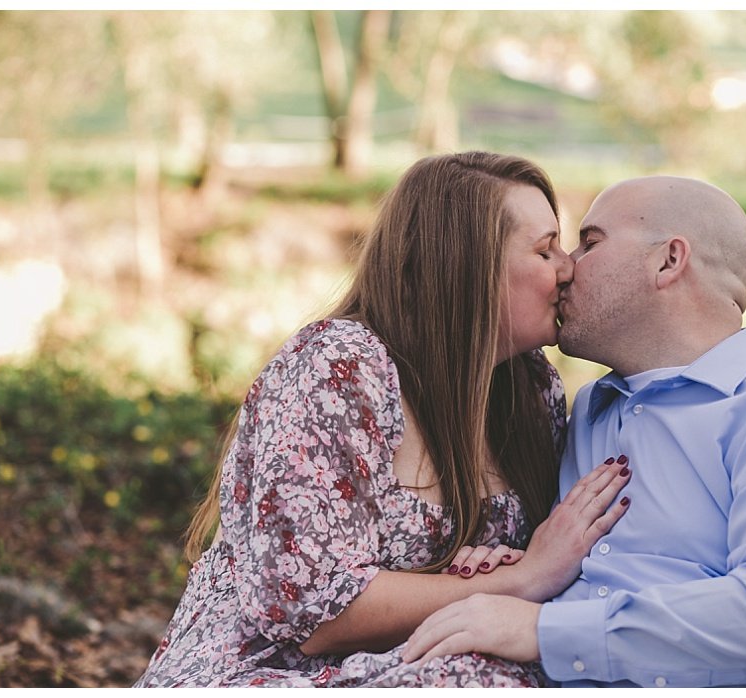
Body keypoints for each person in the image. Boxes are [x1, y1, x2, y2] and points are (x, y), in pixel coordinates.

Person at [135, 152, 632, 688]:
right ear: (465, 266)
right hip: (273, 673)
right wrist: (523, 578)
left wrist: (494, 565)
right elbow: (318, 615)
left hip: (432, 660)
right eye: (544, 249)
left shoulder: (530, 389)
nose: (566, 267)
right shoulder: (339, 369)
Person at [401, 175, 746, 687]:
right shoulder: (596, 413)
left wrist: (543, 627)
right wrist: (520, 574)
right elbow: (603, 582)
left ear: (669, 261)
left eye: (591, 241)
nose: (567, 266)